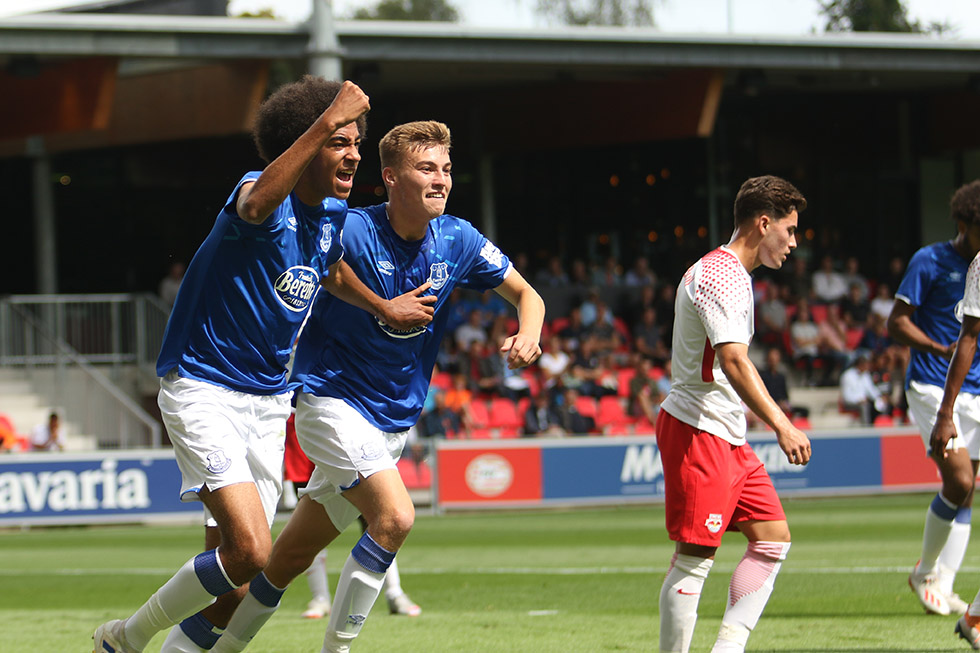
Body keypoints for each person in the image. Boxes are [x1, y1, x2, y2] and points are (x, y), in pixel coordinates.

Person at [92, 79, 432, 653]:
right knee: (250, 550)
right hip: (204, 386)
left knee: (234, 580)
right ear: (305, 142)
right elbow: (256, 204)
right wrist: (324, 121)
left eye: (355, 141)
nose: (352, 153)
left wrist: (381, 306)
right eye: (338, 142)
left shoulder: (329, 215)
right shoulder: (257, 194)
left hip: (268, 404)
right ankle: (125, 640)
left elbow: (328, 270)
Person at [210, 120, 544, 653]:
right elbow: (318, 266)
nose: (441, 180)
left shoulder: (457, 238)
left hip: (392, 423)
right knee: (395, 516)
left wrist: (529, 333)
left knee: (287, 561)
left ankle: (206, 646)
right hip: (331, 403)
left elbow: (527, 293)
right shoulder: (350, 229)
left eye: (447, 169)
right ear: (390, 177)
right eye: (426, 168)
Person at [655, 175, 811, 653]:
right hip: (698, 427)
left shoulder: (732, 274)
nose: (793, 241)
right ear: (764, 223)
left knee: (772, 538)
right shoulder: (721, 273)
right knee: (695, 558)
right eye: (789, 229)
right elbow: (734, 360)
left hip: (725, 432)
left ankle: (727, 648)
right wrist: (783, 424)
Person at [889, 180, 980, 617]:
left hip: (976, 391)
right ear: (963, 224)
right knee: (960, 480)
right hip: (931, 384)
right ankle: (925, 572)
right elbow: (896, 323)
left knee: (966, 492)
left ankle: (942, 587)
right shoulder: (930, 260)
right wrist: (936, 347)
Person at [282, 413, 421, 621]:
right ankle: (320, 597)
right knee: (308, 519)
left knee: (378, 515)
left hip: (348, 417)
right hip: (302, 422)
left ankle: (394, 592)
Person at [839, 352, 887, 425]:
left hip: (865, 401)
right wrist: (859, 400)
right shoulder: (847, 375)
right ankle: (866, 427)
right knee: (864, 406)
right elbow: (847, 396)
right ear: (861, 365)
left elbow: (871, 390)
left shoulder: (866, 375)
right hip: (851, 402)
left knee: (881, 403)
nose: (868, 366)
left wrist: (880, 396)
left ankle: (881, 425)